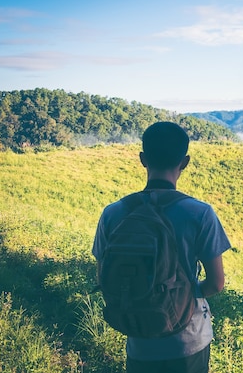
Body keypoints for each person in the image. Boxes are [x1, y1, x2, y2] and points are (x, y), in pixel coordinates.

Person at [92, 121, 231, 373]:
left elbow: (103, 277)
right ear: (185, 162)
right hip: (189, 342)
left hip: (140, 339)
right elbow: (216, 284)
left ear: (143, 159)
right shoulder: (200, 213)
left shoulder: (113, 213)